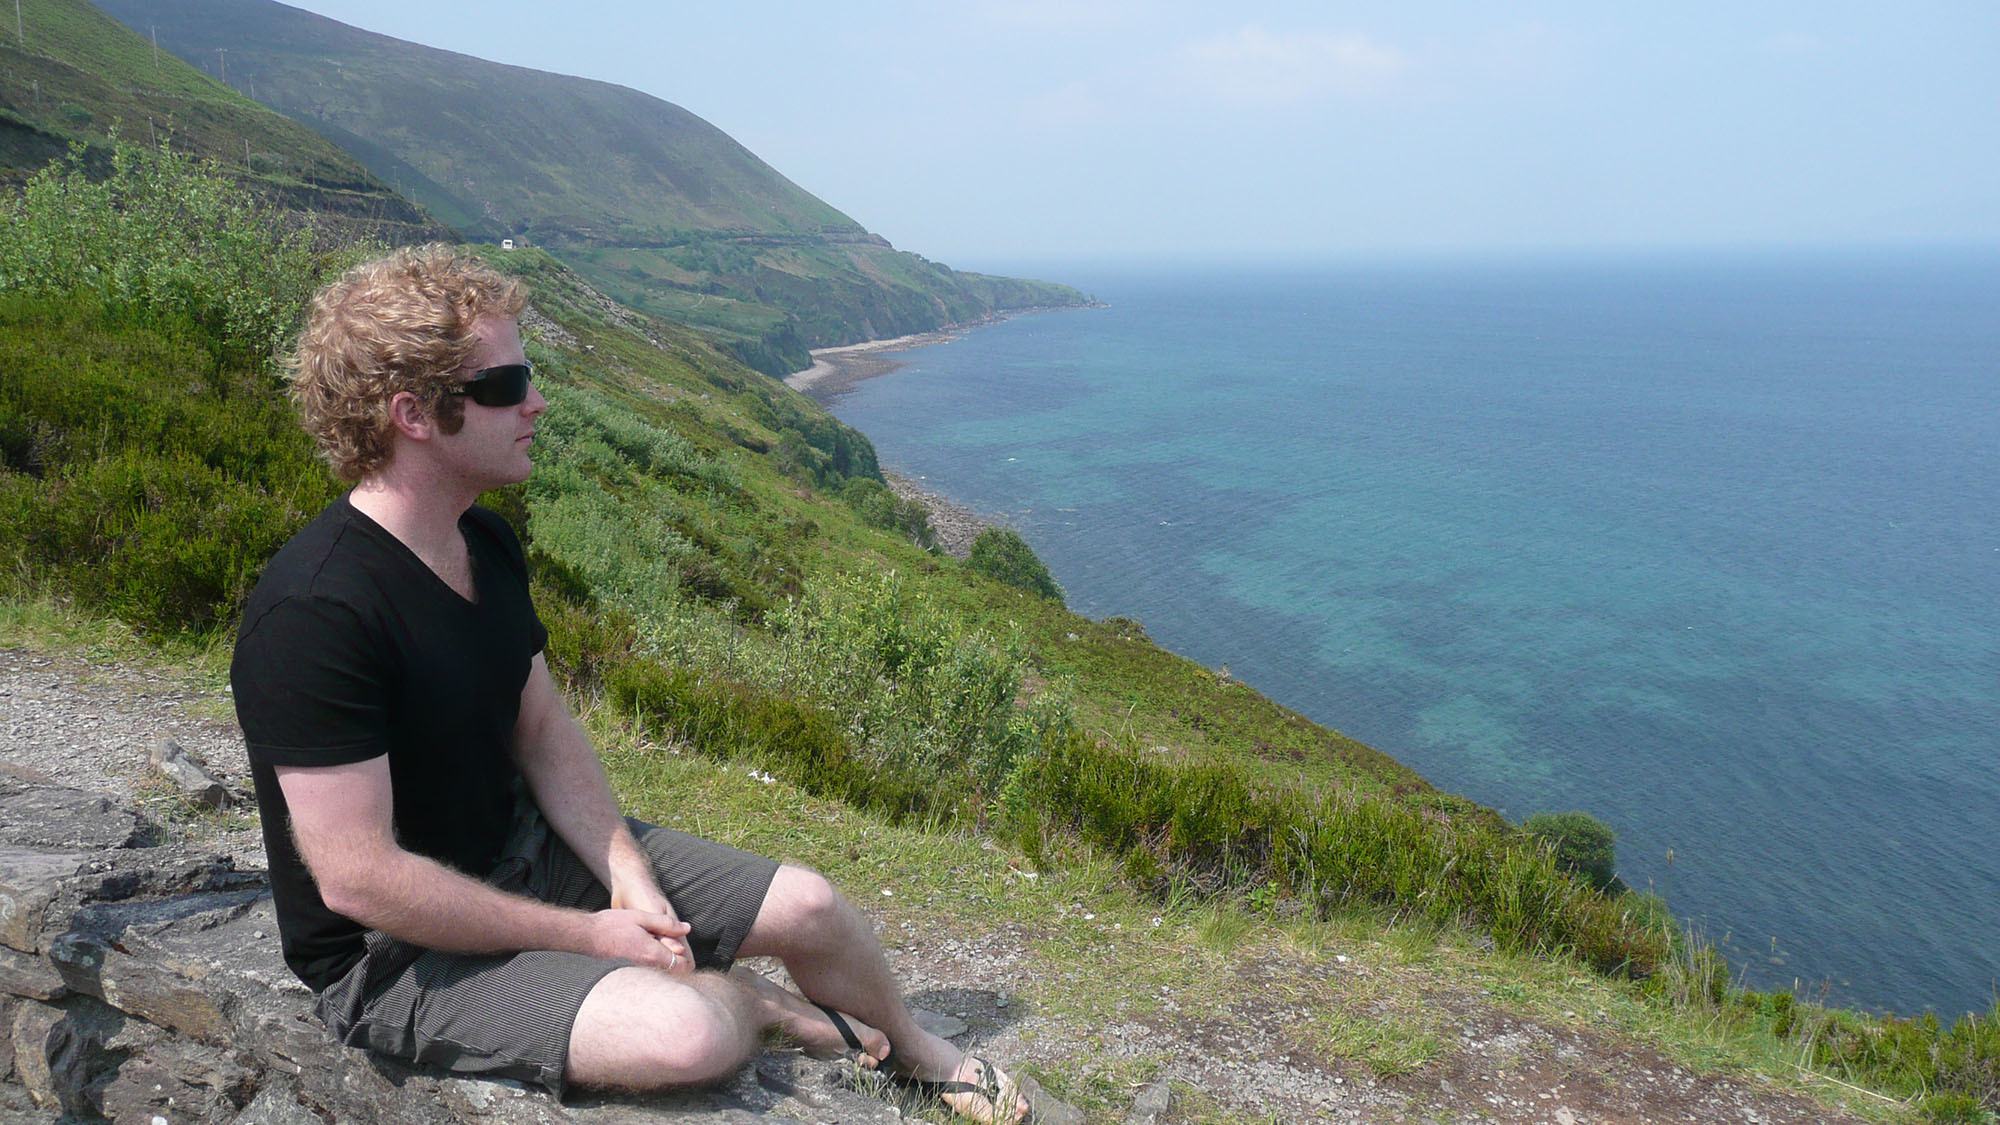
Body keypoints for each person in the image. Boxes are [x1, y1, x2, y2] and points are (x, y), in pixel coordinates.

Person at [230, 244, 1028, 1123]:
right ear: (412, 413)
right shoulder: (315, 612)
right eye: (504, 385)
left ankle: (916, 1052)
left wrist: (626, 872)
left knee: (811, 904)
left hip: (525, 854)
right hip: (397, 958)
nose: (535, 401)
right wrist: (591, 935)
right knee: (686, 1035)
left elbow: (541, 731)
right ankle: (758, 1003)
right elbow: (360, 881)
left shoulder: (482, 543)